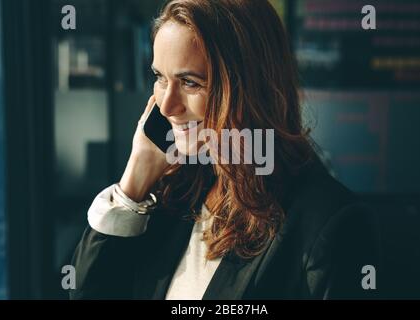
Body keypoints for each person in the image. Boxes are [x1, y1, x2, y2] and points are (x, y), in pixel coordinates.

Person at [70, 0, 380, 300]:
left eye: (190, 82)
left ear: (248, 88)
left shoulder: (326, 223)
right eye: (159, 78)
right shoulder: (174, 192)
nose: (167, 105)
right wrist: (135, 179)